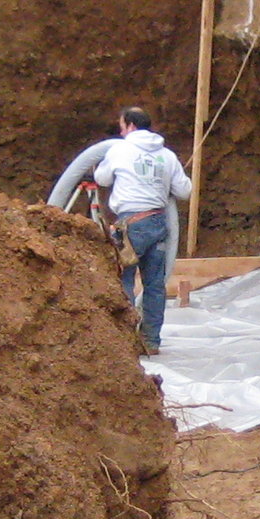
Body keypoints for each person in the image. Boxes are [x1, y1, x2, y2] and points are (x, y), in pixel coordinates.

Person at [94, 105, 193, 353]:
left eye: (122, 126)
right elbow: (185, 190)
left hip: (132, 223)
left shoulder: (120, 150)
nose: (121, 131)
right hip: (159, 223)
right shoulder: (167, 156)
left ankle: (125, 341)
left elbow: (102, 179)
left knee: (123, 279)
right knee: (155, 285)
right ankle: (150, 341)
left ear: (130, 125)